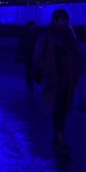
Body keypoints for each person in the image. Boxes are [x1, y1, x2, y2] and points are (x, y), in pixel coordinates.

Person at [33, 8, 80, 151]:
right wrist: (47, 71)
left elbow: (75, 55)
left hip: (67, 78)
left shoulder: (70, 36)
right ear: (55, 20)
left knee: (64, 107)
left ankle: (58, 133)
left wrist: (76, 72)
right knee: (58, 106)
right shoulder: (47, 35)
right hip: (55, 78)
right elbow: (38, 56)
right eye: (62, 20)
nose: (65, 23)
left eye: (66, 20)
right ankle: (60, 135)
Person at [15, 20, 39, 90]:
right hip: (30, 53)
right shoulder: (32, 33)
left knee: (30, 68)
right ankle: (30, 81)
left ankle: (30, 81)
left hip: (31, 53)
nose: (34, 27)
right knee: (30, 68)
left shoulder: (31, 33)